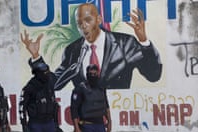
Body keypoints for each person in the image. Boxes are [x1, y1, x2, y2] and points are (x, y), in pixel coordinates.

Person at [21, 3, 162, 90]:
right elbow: (54, 84)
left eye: (88, 20)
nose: (84, 26)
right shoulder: (72, 51)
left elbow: (153, 75)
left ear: (99, 19)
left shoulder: (124, 43)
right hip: (85, 118)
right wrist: (36, 57)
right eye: (79, 22)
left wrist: (143, 41)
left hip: (117, 112)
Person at [19, 62, 62, 132]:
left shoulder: (49, 85)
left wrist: (56, 124)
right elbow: (22, 109)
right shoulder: (29, 88)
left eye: (47, 72)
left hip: (50, 123)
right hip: (36, 124)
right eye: (44, 73)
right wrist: (25, 128)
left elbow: (54, 104)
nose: (47, 75)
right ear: (38, 74)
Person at [70, 64, 111, 132]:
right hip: (86, 126)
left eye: (95, 74)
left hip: (100, 125)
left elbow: (106, 106)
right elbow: (74, 109)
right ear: (87, 75)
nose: (93, 76)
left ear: (98, 74)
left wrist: (109, 122)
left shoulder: (101, 88)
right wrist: (76, 127)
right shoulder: (80, 89)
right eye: (90, 74)